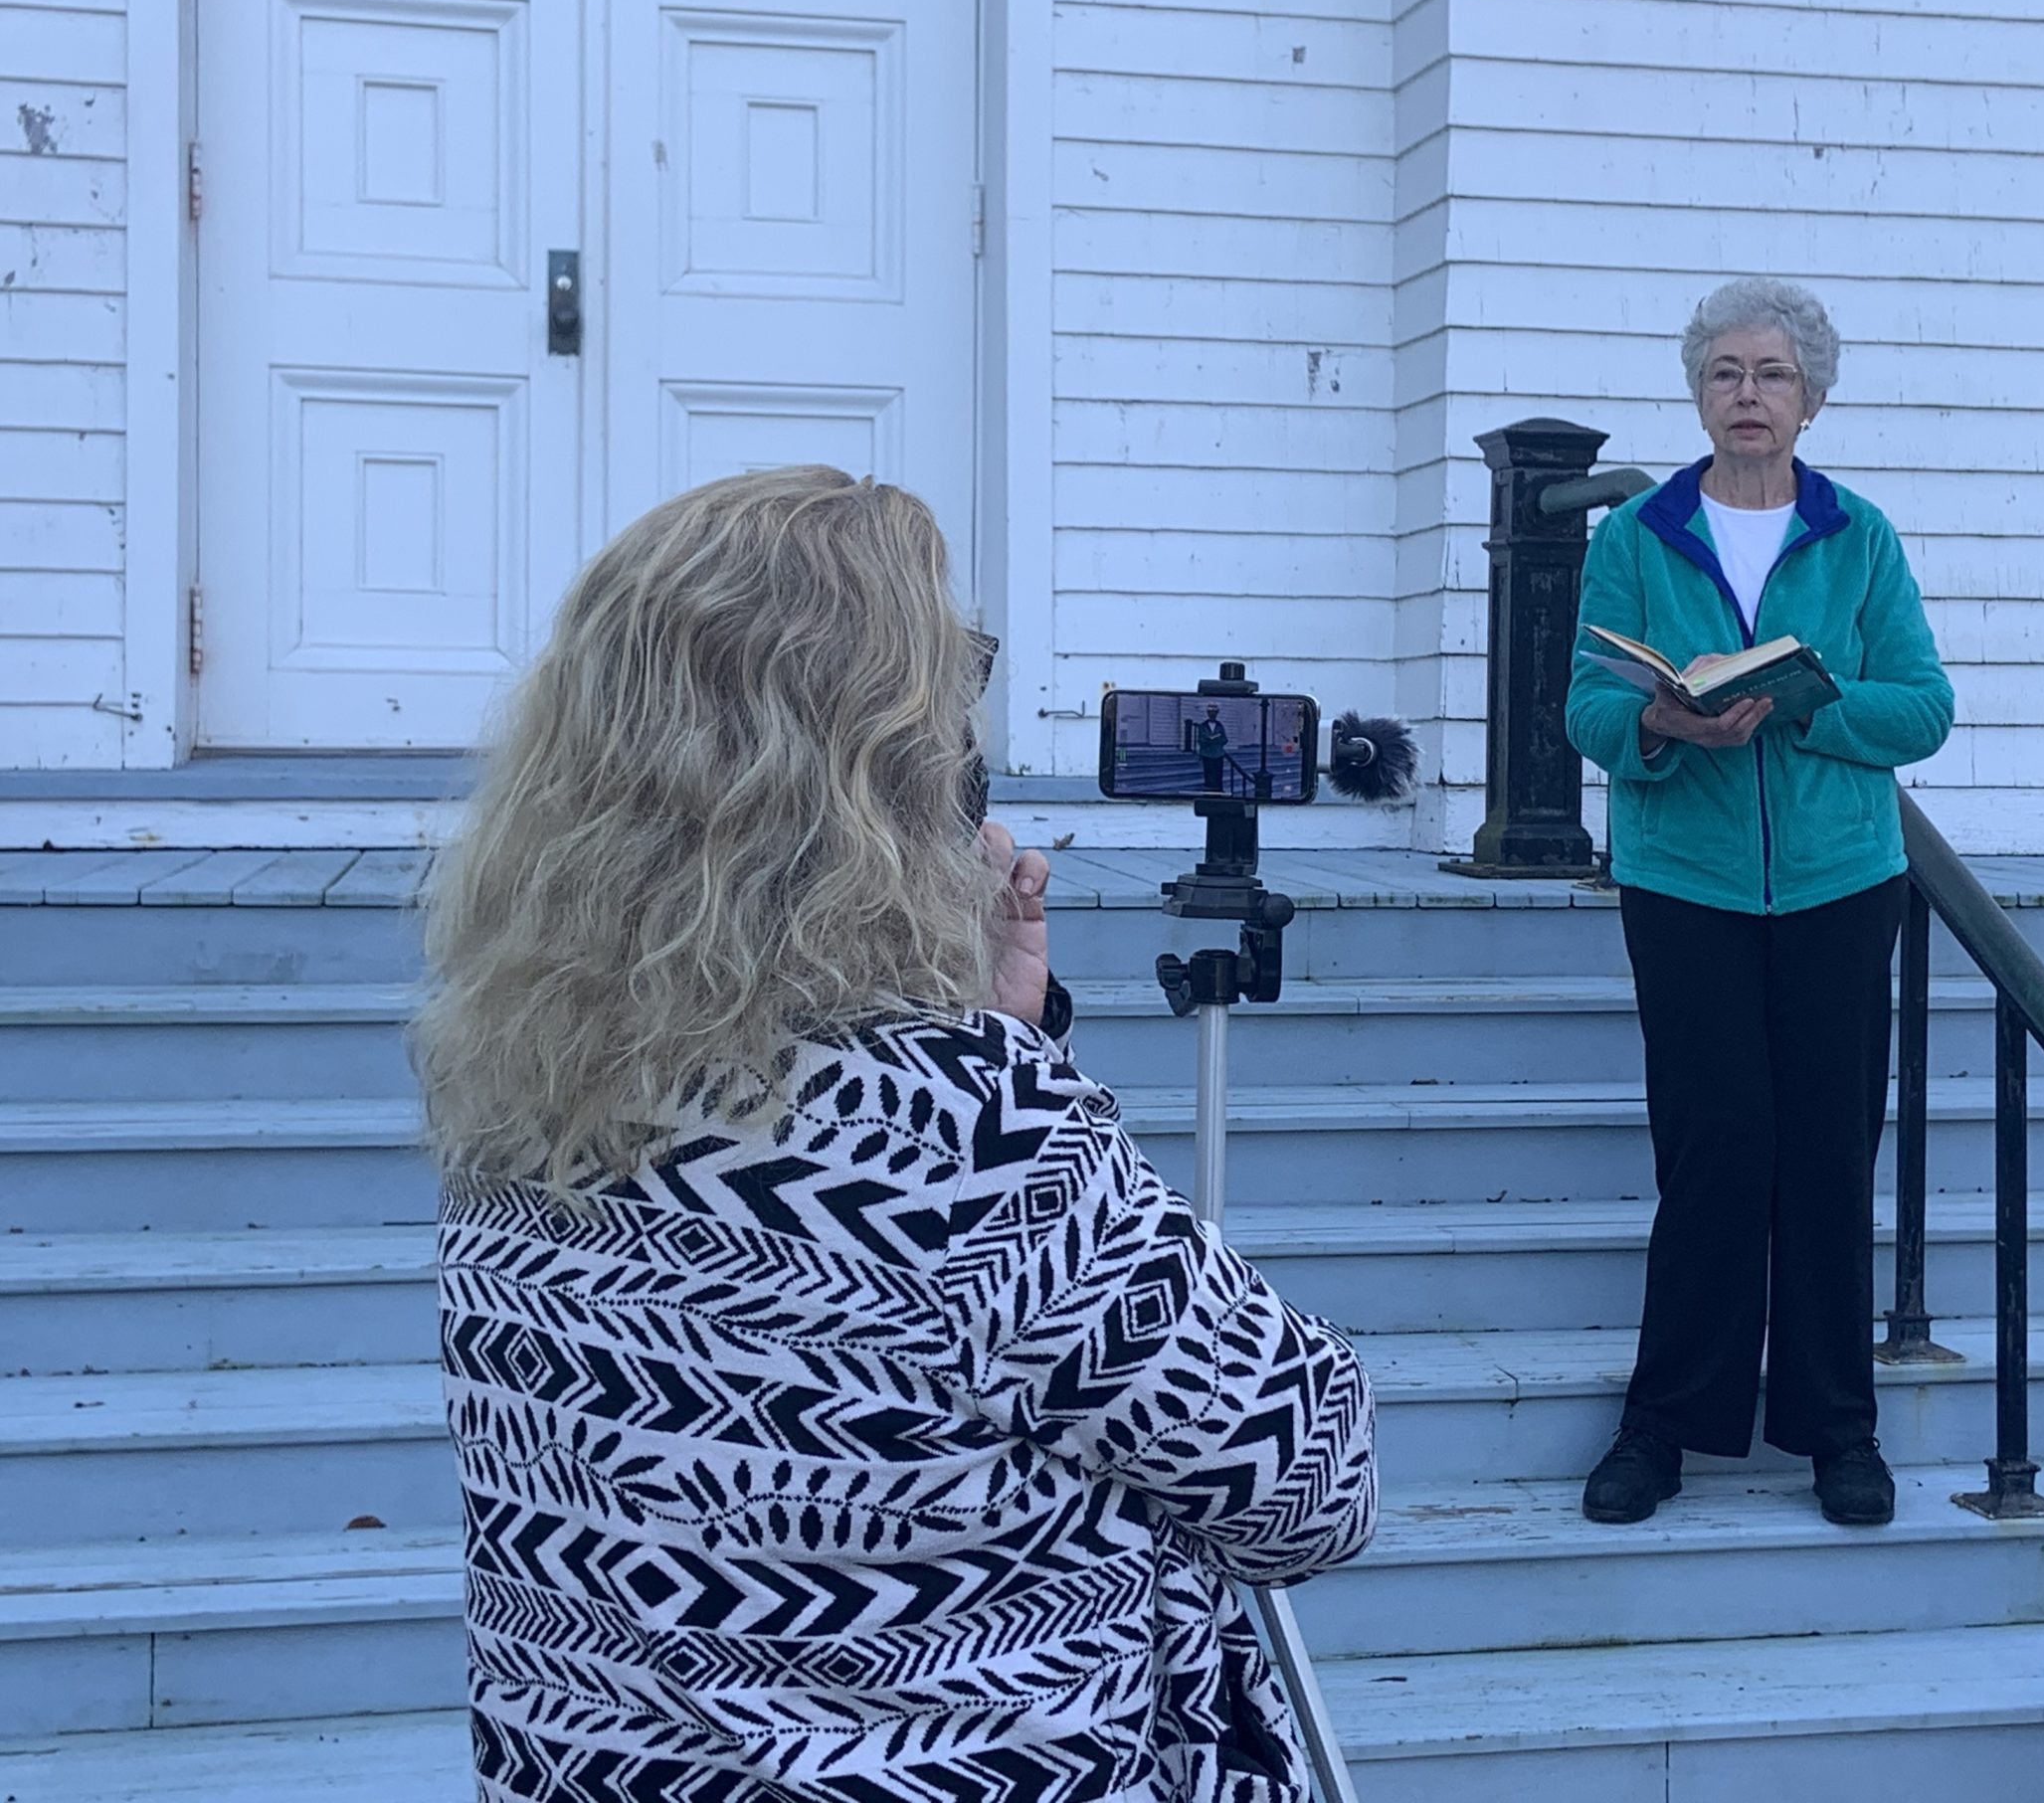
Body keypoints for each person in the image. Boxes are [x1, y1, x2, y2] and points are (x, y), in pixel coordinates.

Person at [416, 468, 1377, 1802]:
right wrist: (1001, 1070)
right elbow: (1308, 1478)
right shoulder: (957, 1128)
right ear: (874, 767)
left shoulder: (516, 1097)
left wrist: (991, 1030)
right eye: (950, 689)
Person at [1564, 278, 1954, 1530]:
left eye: (1771, 375)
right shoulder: (1635, 537)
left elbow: (1922, 709)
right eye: (1725, 372)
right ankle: (1664, 1426)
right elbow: (1582, 703)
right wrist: (1662, 724)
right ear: (1697, 392)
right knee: (1712, 1153)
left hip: (1842, 886)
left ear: (1812, 399)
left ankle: (1838, 1430)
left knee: (1831, 1158)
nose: (1747, 394)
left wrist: (1808, 703)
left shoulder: (1861, 537)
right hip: (1685, 886)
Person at [1195, 702, 1229, 793]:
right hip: (1207, 754)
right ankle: (1209, 792)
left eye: (1214, 712)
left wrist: (1216, 740)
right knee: (1209, 774)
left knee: (1218, 774)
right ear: (1208, 713)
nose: (1212, 714)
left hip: (1218, 754)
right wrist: (1208, 740)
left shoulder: (1219, 725)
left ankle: (1218, 791)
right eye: (1210, 712)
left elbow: (1224, 739)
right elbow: (1200, 740)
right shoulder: (1203, 726)